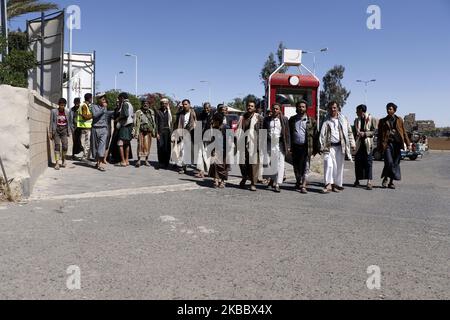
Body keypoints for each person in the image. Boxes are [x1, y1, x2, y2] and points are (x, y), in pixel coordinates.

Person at [319, 101, 356, 194]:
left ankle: (336, 185)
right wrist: (320, 146)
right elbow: (321, 134)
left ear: (338, 108)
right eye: (331, 108)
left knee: (339, 167)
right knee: (329, 164)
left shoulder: (343, 119)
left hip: (340, 147)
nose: (333, 109)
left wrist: (352, 143)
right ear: (328, 109)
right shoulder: (325, 119)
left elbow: (349, 132)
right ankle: (328, 185)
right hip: (329, 147)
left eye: (334, 108)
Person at [377, 103, 411, 189]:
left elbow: (404, 132)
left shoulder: (399, 120)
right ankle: (385, 178)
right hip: (387, 144)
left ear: (394, 110)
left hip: (397, 145)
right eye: (387, 109)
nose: (388, 110)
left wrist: (408, 144)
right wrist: (379, 147)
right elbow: (379, 135)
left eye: (390, 109)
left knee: (395, 164)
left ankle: (391, 182)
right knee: (389, 162)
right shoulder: (382, 121)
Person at [288, 100, 319, 194]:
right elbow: (288, 133)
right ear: (297, 108)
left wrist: (315, 149)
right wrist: (289, 146)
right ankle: (298, 181)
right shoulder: (292, 120)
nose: (301, 108)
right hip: (295, 147)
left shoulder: (311, 120)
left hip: (306, 147)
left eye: (303, 107)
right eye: (299, 107)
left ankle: (304, 185)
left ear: (306, 108)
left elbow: (316, 135)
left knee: (306, 166)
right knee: (296, 166)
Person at [263, 104, 290, 193]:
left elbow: (287, 133)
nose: (275, 110)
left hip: (280, 144)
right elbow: (263, 131)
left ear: (279, 110)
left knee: (280, 163)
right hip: (269, 143)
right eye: (273, 109)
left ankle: (277, 183)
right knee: (270, 162)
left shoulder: (284, 119)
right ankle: (272, 180)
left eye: (277, 109)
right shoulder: (267, 119)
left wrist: (288, 146)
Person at [237, 99, 264, 192]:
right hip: (242, 143)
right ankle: (244, 177)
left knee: (253, 165)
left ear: (255, 108)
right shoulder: (242, 118)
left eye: (252, 106)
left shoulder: (259, 118)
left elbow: (262, 131)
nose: (249, 107)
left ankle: (253, 183)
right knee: (242, 164)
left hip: (254, 144)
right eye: (248, 106)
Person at [353, 105, 378, 190]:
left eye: (357, 111)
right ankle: (357, 180)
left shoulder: (371, 119)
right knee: (357, 162)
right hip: (359, 144)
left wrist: (365, 134)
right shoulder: (356, 120)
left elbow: (374, 131)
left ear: (361, 111)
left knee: (368, 163)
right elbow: (354, 132)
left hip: (368, 145)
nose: (356, 113)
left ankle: (369, 182)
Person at [91, 93, 114, 171]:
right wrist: (103, 109)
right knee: (95, 147)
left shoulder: (105, 107)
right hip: (95, 128)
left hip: (104, 129)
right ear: (98, 99)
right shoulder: (94, 106)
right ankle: (97, 162)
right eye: (101, 98)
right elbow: (94, 115)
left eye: (104, 98)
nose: (103, 99)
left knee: (102, 146)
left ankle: (100, 164)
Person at [173, 99, 197, 174]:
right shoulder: (180, 114)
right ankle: (182, 167)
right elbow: (176, 123)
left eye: (186, 104)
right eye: (183, 104)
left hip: (190, 133)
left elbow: (195, 122)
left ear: (189, 104)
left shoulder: (193, 112)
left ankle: (185, 166)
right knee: (181, 151)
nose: (184, 106)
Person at [208, 112, 230, 188]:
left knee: (223, 166)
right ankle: (216, 180)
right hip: (216, 149)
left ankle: (222, 181)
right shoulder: (214, 128)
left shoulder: (227, 128)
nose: (213, 122)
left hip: (225, 149)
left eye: (214, 121)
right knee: (215, 165)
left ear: (219, 121)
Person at [134, 100, 156, 167]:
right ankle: (139, 160)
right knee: (140, 146)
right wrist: (135, 132)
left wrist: (154, 131)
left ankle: (146, 160)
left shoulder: (151, 112)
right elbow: (135, 122)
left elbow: (153, 122)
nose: (145, 105)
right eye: (144, 103)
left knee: (147, 146)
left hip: (148, 132)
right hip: (141, 131)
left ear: (149, 105)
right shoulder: (138, 112)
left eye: (147, 103)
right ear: (142, 104)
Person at [50, 98, 71, 170]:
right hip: (56, 130)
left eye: (64, 105)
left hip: (64, 130)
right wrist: (51, 132)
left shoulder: (67, 112)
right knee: (57, 146)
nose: (62, 107)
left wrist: (69, 132)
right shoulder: (53, 111)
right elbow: (51, 122)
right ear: (59, 104)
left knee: (65, 146)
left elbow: (69, 122)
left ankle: (63, 158)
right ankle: (57, 163)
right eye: (61, 105)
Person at [116, 92, 134, 167]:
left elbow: (126, 115)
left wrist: (118, 119)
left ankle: (123, 161)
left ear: (122, 98)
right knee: (126, 143)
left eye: (119, 98)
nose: (119, 100)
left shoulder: (125, 104)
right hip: (130, 125)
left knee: (120, 143)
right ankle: (127, 160)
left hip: (125, 125)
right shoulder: (130, 104)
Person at [195, 102, 213, 178]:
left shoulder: (213, 115)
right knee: (200, 154)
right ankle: (201, 171)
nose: (206, 109)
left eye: (207, 108)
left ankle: (209, 171)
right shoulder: (201, 115)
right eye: (205, 108)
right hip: (201, 137)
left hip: (209, 138)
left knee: (207, 155)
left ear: (210, 108)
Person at [155, 98, 173, 169]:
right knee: (160, 147)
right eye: (163, 103)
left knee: (167, 147)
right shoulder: (158, 112)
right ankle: (160, 162)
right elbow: (156, 123)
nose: (164, 105)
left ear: (167, 104)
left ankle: (166, 162)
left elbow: (171, 122)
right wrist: (157, 133)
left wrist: (169, 110)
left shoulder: (169, 112)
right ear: (161, 104)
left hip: (168, 132)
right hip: (160, 132)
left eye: (166, 103)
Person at [77, 93, 93, 161]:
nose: (92, 99)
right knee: (87, 143)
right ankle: (85, 157)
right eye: (91, 98)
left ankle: (87, 157)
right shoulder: (84, 106)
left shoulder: (85, 106)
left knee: (87, 143)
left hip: (85, 127)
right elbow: (84, 116)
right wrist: (93, 115)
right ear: (89, 98)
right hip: (86, 127)